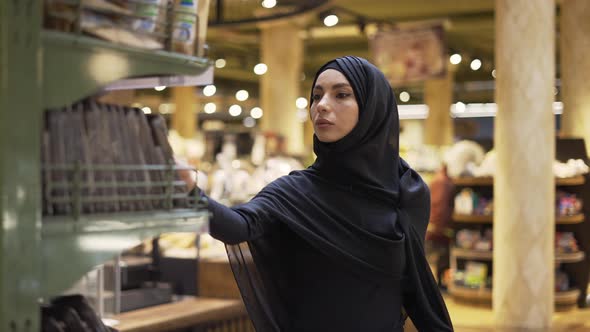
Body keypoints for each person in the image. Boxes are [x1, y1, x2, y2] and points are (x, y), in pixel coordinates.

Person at [186, 56, 453, 331]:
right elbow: (238, 226)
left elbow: (413, 283)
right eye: (316, 96)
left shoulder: (407, 191)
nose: (322, 105)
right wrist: (188, 191)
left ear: (373, 107)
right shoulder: (294, 192)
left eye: (341, 95)